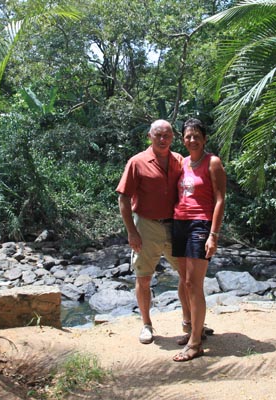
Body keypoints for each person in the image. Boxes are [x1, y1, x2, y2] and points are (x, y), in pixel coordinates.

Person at [116, 119, 183, 344]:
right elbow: (123, 198)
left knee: (187, 275)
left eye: (167, 135)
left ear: (173, 137)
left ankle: (191, 322)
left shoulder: (179, 161)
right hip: (146, 225)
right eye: (158, 135)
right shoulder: (137, 162)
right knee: (143, 277)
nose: (163, 139)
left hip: (175, 225)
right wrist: (131, 232)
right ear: (149, 136)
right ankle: (146, 324)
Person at [171, 118, 226, 361]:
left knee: (194, 283)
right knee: (184, 281)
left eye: (196, 136)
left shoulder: (212, 162)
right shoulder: (181, 163)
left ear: (204, 139)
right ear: (183, 139)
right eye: (187, 136)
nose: (192, 140)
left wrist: (213, 235)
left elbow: (220, 200)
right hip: (179, 223)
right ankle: (195, 329)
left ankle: (195, 343)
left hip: (200, 225)